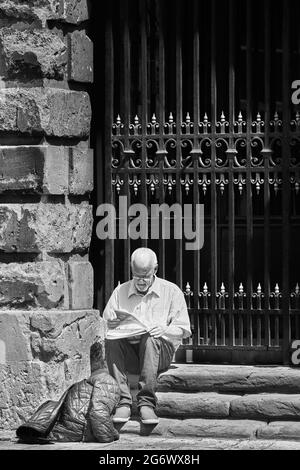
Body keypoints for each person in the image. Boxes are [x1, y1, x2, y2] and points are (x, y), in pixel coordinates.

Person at [103, 247, 191, 425]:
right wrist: (110, 323)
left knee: (150, 337)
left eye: (145, 276)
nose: (141, 281)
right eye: (137, 276)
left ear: (155, 270)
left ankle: (146, 403)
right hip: (131, 353)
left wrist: (164, 329)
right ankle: (123, 401)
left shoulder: (171, 291)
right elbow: (105, 325)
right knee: (111, 340)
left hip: (159, 354)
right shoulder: (120, 292)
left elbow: (183, 330)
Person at [16, 343, 120, 443]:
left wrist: (113, 433)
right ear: (105, 362)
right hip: (76, 431)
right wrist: (108, 438)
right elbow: (98, 413)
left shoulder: (90, 382)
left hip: (63, 431)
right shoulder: (108, 380)